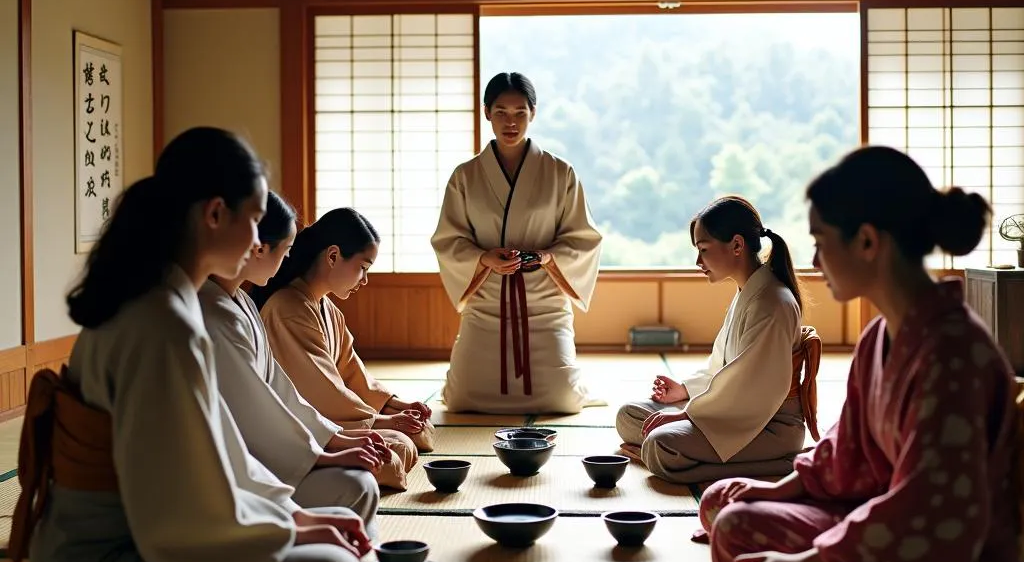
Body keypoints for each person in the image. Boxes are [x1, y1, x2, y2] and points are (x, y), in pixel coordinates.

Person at [1, 128, 370, 562]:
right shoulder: (164, 322)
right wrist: (289, 529)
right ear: (215, 214)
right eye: (254, 218)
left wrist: (298, 517)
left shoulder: (164, 302)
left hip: (121, 553)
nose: (260, 239)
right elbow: (185, 511)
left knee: (337, 531)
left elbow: (218, 455)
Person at [700, 147, 1024, 562]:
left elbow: (926, 517)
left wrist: (804, 561)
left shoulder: (952, 351)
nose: (815, 259)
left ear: (869, 242)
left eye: (822, 240)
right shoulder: (880, 337)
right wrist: (773, 490)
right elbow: (841, 457)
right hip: (880, 542)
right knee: (732, 520)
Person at [199, 190, 384, 533]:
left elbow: (281, 391)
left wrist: (334, 439)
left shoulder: (241, 303)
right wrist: (321, 453)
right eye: (285, 251)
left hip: (277, 450)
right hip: (242, 469)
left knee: (367, 471)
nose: (287, 261)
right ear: (258, 247)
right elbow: (257, 413)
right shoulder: (219, 313)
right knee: (359, 483)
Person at [431, 71, 603, 414]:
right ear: (486, 113)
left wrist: (548, 257)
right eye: (501, 112)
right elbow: (448, 238)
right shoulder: (465, 176)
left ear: (533, 114)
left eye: (520, 113)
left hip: (544, 304)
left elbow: (583, 237)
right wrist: (483, 259)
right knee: (463, 397)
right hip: (486, 304)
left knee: (562, 400)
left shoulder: (560, 172)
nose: (511, 122)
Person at [617, 196, 819, 484]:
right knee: (628, 416)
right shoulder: (749, 292)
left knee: (659, 446)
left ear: (737, 245)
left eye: (703, 250)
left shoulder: (773, 303)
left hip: (768, 427)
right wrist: (685, 390)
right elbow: (724, 368)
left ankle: (779, 464)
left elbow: (751, 391)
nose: (699, 261)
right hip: (733, 414)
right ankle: (686, 455)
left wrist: (684, 417)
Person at [254, 207, 431, 492]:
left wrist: (393, 405)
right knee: (396, 450)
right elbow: (321, 392)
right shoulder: (287, 309)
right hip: (305, 421)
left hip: (335, 415)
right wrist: (381, 420)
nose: (365, 280)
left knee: (417, 433)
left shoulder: (327, 308)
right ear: (333, 256)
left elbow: (351, 371)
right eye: (363, 267)